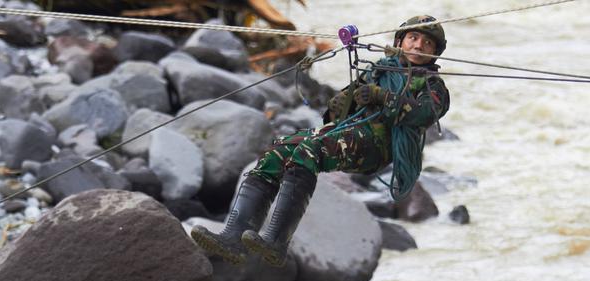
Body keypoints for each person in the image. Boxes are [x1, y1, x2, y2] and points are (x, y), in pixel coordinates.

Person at [192, 15, 451, 267]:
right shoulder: (378, 71)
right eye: (413, 37)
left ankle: (276, 242)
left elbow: (422, 114)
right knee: (278, 151)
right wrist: (342, 102)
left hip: (377, 147)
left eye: (427, 43)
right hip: (351, 133)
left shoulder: (433, 86)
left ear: (435, 53)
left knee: (309, 151)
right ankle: (233, 238)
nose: (418, 45)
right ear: (399, 41)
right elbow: (340, 112)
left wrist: (381, 96)